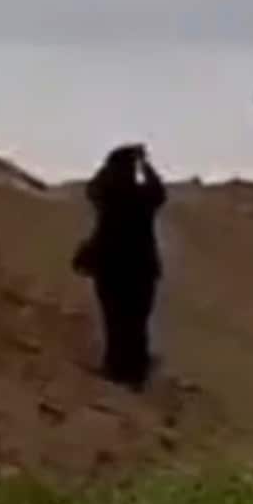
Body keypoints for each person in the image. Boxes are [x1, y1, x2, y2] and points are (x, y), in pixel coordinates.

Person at [74, 144, 167, 390]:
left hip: (111, 268)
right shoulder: (141, 198)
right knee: (136, 321)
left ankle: (117, 369)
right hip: (140, 269)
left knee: (115, 320)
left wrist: (112, 165)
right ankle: (134, 373)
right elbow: (159, 192)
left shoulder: (108, 196)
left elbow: (92, 189)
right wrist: (144, 164)